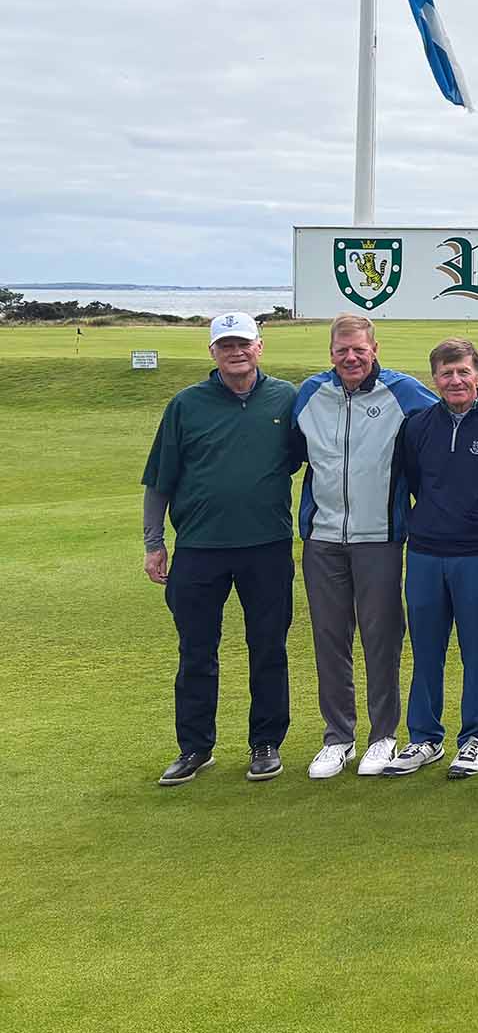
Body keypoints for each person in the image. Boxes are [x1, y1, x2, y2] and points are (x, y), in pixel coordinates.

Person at [290, 313, 478, 781]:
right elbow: (288, 453)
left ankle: (386, 736)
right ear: (331, 352)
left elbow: (459, 414)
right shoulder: (309, 394)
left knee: (384, 639)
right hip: (325, 538)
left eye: (359, 349)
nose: (351, 357)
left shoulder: (404, 392)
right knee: (331, 640)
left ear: (375, 349)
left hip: (385, 539)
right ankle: (339, 738)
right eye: (341, 349)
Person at [142, 312, 301, 786]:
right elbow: (160, 480)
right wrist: (155, 543)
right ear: (212, 352)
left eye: (244, 344)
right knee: (196, 650)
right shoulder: (186, 404)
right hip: (199, 548)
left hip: (267, 545)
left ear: (260, 346)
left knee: (268, 647)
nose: (236, 352)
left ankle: (266, 743)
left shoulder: (287, 398)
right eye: (226, 345)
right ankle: (195, 748)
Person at [382, 338, 478, 780]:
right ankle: (425, 738)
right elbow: (412, 480)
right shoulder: (418, 425)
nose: (455, 380)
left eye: (463, 372)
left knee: (477, 649)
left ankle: (473, 740)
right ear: (435, 379)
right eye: (446, 374)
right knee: (426, 649)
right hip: (426, 553)